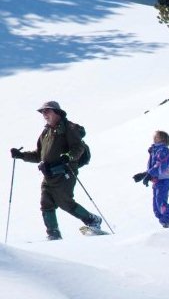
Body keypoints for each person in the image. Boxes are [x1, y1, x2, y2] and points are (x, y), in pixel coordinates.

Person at [9, 101, 102, 240]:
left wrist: (68, 157)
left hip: (65, 173)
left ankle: (92, 220)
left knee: (65, 203)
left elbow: (78, 148)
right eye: (42, 112)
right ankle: (53, 234)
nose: (44, 114)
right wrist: (21, 155)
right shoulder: (45, 132)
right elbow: (38, 155)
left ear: (57, 112)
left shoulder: (69, 128)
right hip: (49, 174)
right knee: (46, 202)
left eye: (47, 111)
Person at [132, 130, 169, 228]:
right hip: (157, 182)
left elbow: (161, 165)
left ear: (163, 139)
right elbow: (153, 167)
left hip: (164, 181)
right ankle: (167, 225)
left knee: (161, 206)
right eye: (154, 136)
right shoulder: (154, 150)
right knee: (157, 210)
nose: (154, 138)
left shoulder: (163, 150)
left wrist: (149, 175)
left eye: (157, 136)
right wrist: (143, 175)